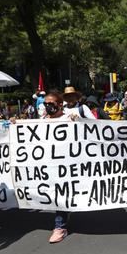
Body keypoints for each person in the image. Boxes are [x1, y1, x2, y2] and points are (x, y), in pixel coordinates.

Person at [42, 90, 78, 243]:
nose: (47, 106)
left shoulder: (68, 118)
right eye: (45, 104)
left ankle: (60, 226)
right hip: (47, 163)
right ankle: (64, 213)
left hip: (65, 163)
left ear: (60, 105)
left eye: (51, 104)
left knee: (60, 192)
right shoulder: (40, 120)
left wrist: (77, 120)